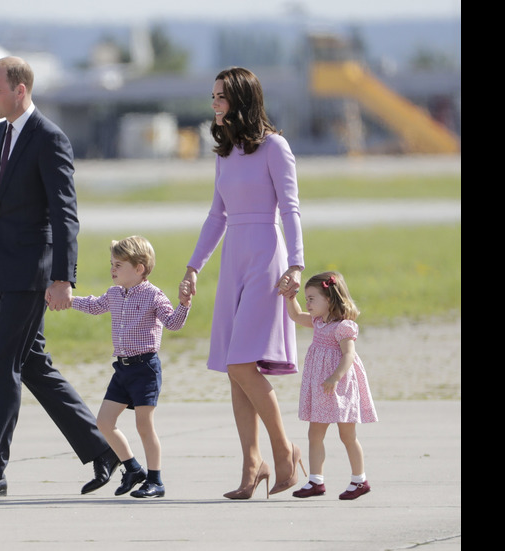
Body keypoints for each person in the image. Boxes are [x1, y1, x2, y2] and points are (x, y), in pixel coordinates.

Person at [0, 56, 118, 498]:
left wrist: (63, 277)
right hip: (5, 271)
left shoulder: (50, 139)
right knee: (34, 364)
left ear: (20, 90)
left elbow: (66, 215)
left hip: (35, 273)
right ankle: (101, 450)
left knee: (3, 363)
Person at [179, 67, 306, 500]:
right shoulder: (223, 151)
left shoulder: (275, 147)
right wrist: (194, 266)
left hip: (267, 259)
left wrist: (297, 264)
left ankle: (285, 450)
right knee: (236, 371)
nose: (213, 103)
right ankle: (253, 464)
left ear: (240, 100)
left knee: (241, 364)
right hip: (234, 257)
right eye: (212, 96)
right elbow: (217, 215)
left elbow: (290, 208)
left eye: (220, 97)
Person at [67, 236, 191, 498]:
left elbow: (173, 323)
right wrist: (68, 299)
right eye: (112, 263)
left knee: (144, 426)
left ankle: (155, 481)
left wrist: (184, 304)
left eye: (119, 264)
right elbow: (93, 305)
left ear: (140, 268)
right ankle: (133, 469)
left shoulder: (153, 295)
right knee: (104, 422)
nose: (112, 269)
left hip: (145, 368)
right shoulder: (113, 294)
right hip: (122, 369)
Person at [284, 271, 378, 500]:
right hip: (321, 387)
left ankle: (360, 480)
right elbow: (296, 315)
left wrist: (335, 377)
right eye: (307, 298)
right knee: (314, 433)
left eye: (312, 298)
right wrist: (290, 297)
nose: (308, 303)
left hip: (339, 386)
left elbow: (348, 355)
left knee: (347, 435)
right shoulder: (318, 322)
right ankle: (316, 481)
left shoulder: (343, 327)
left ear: (329, 298)